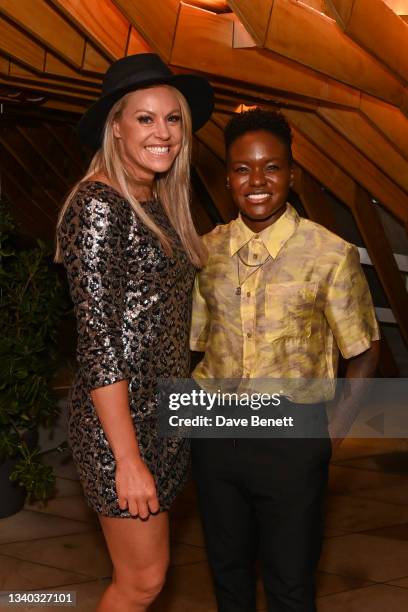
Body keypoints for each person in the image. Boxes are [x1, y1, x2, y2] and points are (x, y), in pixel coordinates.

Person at [190, 108, 380, 612]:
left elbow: (363, 351)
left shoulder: (329, 254)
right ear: (227, 176)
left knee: (290, 585)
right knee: (228, 579)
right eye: (242, 168)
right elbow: (195, 347)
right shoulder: (204, 253)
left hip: (292, 441)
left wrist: (327, 435)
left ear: (292, 176)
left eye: (271, 167)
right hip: (215, 438)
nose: (256, 181)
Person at [55, 53, 213, 612]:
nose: (162, 132)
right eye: (145, 118)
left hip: (161, 412)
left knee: (151, 576)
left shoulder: (156, 199)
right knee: (141, 582)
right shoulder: (99, 204)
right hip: (118, 425)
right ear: (115, 125)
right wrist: (127, 458)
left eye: (172, 119)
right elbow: (100, 346)